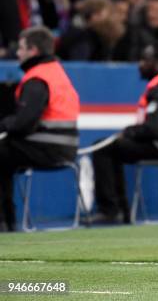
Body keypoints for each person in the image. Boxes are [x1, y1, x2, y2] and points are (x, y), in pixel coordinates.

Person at [90, 44, 158, 224]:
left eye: (145, 60)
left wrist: (129, 132)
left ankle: (111, 211)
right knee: (112, 147)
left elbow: (155, 129)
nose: (140, 64)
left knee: (104, 149)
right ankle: (119, 210)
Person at [0, 26, 80, 232]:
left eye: (21, 48)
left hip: (47, 148)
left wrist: (5, 123)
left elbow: (23, 125)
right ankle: (6, 219)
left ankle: (5, 221)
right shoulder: (56, 72)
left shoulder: (38, 78)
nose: (17, 53)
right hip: (65, 148)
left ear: (33, 50)